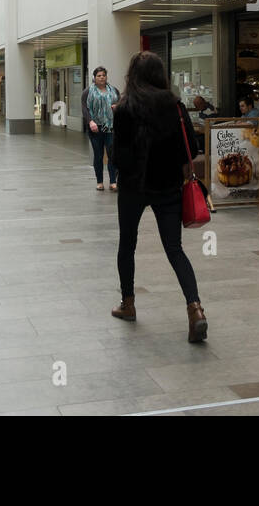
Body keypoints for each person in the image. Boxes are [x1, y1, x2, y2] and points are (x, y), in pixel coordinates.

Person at [110, 51, 208, 344]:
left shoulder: (124, 108)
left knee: (127, 244)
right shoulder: (175, 106)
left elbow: (117, 155)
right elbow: (191, 146)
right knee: (174, 249)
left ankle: (128, 304)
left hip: (133, 187)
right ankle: (195, 309)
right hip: (168, 187)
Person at [82, 66, 120, 192]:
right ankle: (99, 182)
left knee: (112, 154)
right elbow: (85, 108)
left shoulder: (114, 90)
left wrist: (117, 106)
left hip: (111, 127)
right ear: (94, 78)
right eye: (99, 75)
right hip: (95, 128)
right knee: (98, 155)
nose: (101, 77)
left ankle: (113, 182)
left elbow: (121, 104)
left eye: (103, 75)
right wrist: (90, 121)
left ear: (106, 76)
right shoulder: (88, 91)